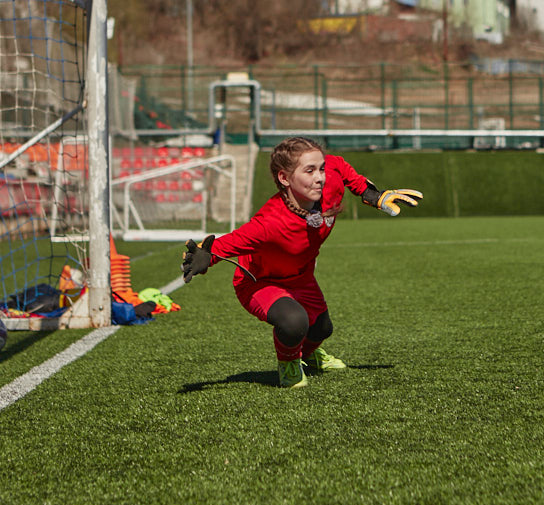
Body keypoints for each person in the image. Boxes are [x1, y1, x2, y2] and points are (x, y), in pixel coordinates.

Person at [180, 137, 422, 389]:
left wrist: (370, 193)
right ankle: (288, 363)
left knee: (322, 329)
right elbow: (225, 244)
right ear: (284, 178)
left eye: (321, 168)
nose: (320, 177)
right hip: (260, 281)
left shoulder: (330, 181)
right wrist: (204, 256)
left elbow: (339, 166)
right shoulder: (269, 223)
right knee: (295, 322)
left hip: (301, 276)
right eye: (309, 171)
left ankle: (308, 354)